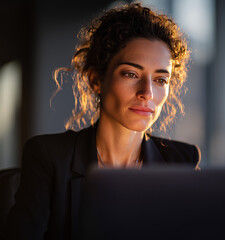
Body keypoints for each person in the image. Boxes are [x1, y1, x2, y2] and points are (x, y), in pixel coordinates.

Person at [3, 3, 200, 239]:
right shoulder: (49, 157)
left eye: (160, 79)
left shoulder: (182, 162)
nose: (147, 92)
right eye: (131, 74)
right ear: (96, 80)